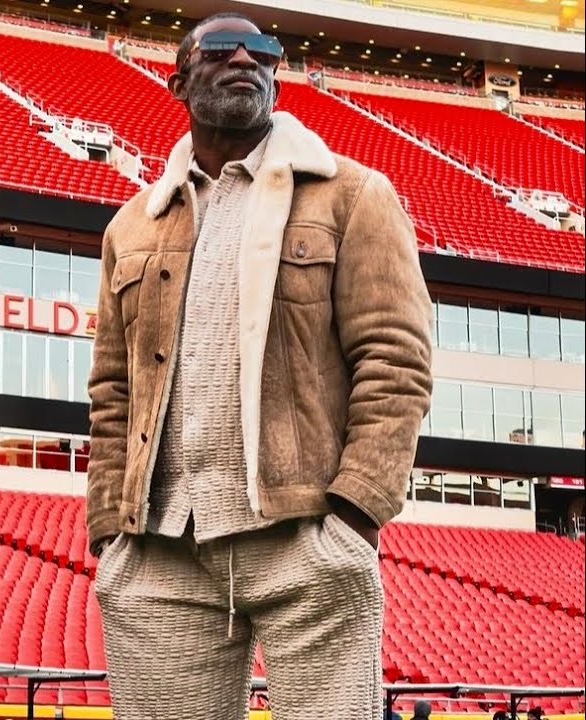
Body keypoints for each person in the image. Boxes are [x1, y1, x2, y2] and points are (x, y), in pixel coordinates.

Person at [85, 12, 433, 720]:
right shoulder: (131, 225)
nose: (245, 55)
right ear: (178, 80)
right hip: (161, 545)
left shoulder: (353, 195)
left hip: (305, 532)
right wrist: (108, 526)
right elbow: (112, 387)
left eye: (264, 49)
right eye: (220, 47)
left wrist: (356, 513)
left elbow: (395, 359)